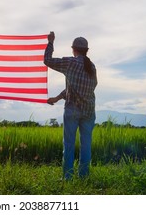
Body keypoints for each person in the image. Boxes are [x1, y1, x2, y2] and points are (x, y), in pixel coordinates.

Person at [44, 32, 97, 180]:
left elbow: (47, 60)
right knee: (86, 145)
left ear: (73, 49)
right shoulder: (91, 67)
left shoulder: (70, 63)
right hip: (89, 111)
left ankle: (67, 177)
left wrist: (51, 42)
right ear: (86, 50)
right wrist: (57, 98)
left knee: (69, 144)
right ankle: (84, 176)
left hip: (72, 110)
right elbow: (82, 88)